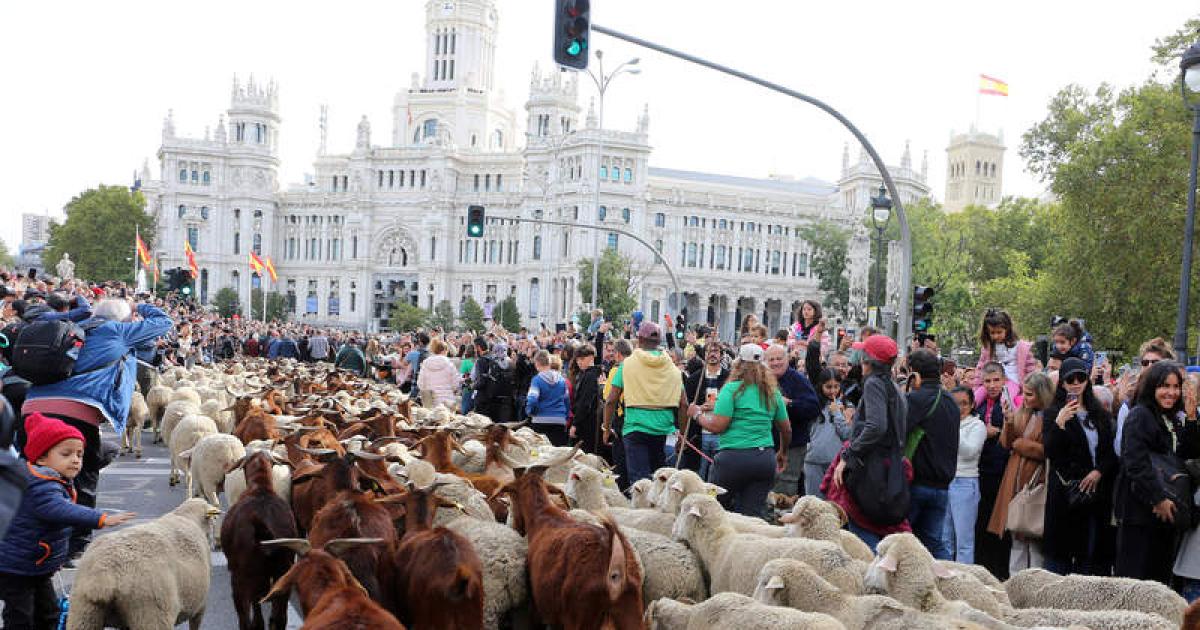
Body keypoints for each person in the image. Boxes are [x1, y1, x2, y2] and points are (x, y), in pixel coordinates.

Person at [22, 298, 170, 559]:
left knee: (33, 474)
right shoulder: (116, 330)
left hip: (33, 406)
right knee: (85, 474)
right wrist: (139, 306)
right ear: (125, 319)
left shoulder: (73, 327)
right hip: (76, 410)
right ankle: (76, 545)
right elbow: (163, 322)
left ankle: (27, 537)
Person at [0, 413, 135, 629]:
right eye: (66, 454)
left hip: (36, 564)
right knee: (20, 615)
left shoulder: (53, 479)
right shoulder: (40, 486)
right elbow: (61, 509)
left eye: (79, 454)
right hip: (17, 567)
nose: (75, 460)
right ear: (41, 458)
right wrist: (100, 518)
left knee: (48, 612)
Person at [1115, 361, 1200, 583]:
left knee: (1158, 583)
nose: (1171, 392)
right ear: (1152, 387)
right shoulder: (1140, 415)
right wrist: (1158, 499)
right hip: (1140, 514)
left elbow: (1186, 457)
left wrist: (1191, 418)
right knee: (1135, 583)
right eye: (1164, 386)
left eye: (1176, 386)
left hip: (1165, 514)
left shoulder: (1171, 418)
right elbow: (1135, 463)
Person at [1041, 357, 1117, 576]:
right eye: (1070, 379)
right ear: (1062, 383)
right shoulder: (1053, 413)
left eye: (1080, 378)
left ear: (1087, 380)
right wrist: (1059, 423)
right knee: (1061, 557)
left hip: (1096, 492)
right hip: (1067, 494)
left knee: (1093, 553)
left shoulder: (1099, 413)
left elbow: (1110, 452)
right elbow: (1051, 452)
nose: (1075, 383)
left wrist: (1098, 471)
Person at [832, 334, 907, 550]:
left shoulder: (874, 383)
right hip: (888, 466)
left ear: (868, 361)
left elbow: (876, 426)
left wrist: (849, 455)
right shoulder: (891, 386)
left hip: (871, 468)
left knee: (863, 536)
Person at [697, 344, 790, 519]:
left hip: (731, 460)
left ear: (738, 365)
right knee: (751, 518)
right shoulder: (772, 393)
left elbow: (717, 426)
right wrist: (783, 452)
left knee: (714, 511)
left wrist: (697, 415)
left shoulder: (731, 390)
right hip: (764, 460)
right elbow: (786, 429)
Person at [603, 323, 687, 484]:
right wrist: (682, 435)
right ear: (659, 341)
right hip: (662, 429)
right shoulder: (672, 368)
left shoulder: (627, 365)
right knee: (658, 480)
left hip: (635, 428)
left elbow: (611, 400)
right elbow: (684, 404)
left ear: (640, 340)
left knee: (639, 482)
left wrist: (606, 428)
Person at [987, 371, 1053, 576]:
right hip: (1015, 481)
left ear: (1042, 394)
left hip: (1036, 482)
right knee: (1016, 538)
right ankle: (1015, 584)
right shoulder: (1022, 413)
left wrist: (1022, 445)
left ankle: (1034, 585)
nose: (1025, 398)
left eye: (1030, 394)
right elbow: (1006, 443)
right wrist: (1008, 421)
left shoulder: (1051, 417)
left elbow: (1049, 450)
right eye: (1024, 393)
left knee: (1034, 538)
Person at [904, 349, 961, 560]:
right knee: (934, 544)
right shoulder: (951, 402)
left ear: (914, 374)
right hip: (942, 485)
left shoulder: (916, 399)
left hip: (916, 484)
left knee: (901, 541)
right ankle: (949, 576)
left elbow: (899, 432)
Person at [974, 361, 1014, 578]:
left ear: (1004, 380)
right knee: (981, 522)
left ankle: (1000, 571)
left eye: (996, 380)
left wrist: (997, 431)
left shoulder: (1011, 403)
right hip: (980, 471)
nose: (992, 385)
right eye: (987, 381)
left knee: (1000, 524)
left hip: (1002, 471)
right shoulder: (978, 405)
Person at [765, 344, 819, 497]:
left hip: (792, 446)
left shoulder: (798, 379)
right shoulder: (762, 380)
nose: (775, 363)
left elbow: (814, 408)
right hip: (767, 444)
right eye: (771, 359)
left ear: (787, 359)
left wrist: (789, 404)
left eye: (779, 358)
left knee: (785, 489)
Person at [944, 386, 986, 564]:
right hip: (945, 480)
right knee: (944, 539)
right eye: (955, 404)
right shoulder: (945, 423)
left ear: (972, 404)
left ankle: (964, 576)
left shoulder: (978, 425)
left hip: (965, 483)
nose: (960, 408)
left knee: (964, 541)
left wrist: (952, 428)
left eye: (964, 404)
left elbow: (970, 451)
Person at [682, 342, 729, 479]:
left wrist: (718, 406)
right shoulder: (694, 379)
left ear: (721, 355)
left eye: (716, 351)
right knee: (699, 474)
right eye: (709, 351)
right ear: (704, 355)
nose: (712, 354)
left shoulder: (730, 378)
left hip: (722, 434)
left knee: (719, 475)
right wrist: (699, 408)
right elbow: (687, 406)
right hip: (699, 434)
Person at [973, 309, 1038, 405]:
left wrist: (1031, 388)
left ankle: (1011, 414)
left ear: (1007, 329)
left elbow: (1031, 369)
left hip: (1012, 381)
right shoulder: (988, 348)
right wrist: (976, 387)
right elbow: (980, 368)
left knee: (1006, 400)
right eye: (992, 333)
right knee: (976, 398)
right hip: (992, 381)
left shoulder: (1021, 347)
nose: (996, 336)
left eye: (999, 332)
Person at [805, 368, 852, 498]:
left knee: (833, 502)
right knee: (814, 501)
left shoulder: (846, 406)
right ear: (821, 386)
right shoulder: (814, 405)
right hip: (813, 460)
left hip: (835, 462)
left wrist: (837, 413)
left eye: (836, 386)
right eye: (828, 387)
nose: (832, 391)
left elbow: (846, 434)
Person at [603, 339, 633, 489]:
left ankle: (622, 493)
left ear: (618, 354)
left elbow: (608, 398)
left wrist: (606, 428)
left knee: (621, 463)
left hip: (621, 421)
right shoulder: (638, 369)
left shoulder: (616, 370)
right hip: (638, 418)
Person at [525, 350, 569, 446]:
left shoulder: (536, 380)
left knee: (540, 451)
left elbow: (532, 400)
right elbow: (566, 401)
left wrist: (530, 412)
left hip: (540, 420)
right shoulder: (562, 380)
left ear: (537, 363)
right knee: (557, 451)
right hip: (559, 421)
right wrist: (565, 417)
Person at [570, 344, 604, 454]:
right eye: (577, 359)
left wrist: (575, 424)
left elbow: (585, 403)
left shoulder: (590, 375)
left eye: (582, 359)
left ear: (591, 358)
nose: (579, 362)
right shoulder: (591, 373)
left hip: (587, 423)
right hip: (591, 421)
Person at [417, 338, 459, 410]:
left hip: (430, 401)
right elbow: (455, 384)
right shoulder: (450, 364)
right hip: (447, 400)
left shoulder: (425, 364)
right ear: (444, 351)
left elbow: (420, 383)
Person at [459, 343, 477, 414]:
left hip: (468, 388)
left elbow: (461, 376)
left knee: (465, 410)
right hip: (478, 389)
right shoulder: (478, 361)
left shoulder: (465, 362)